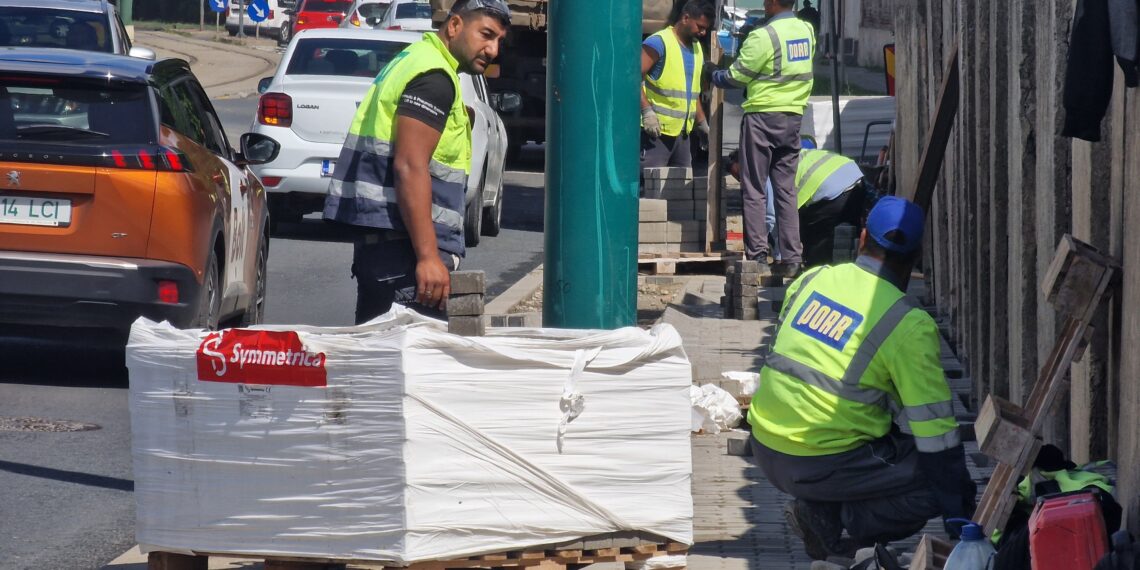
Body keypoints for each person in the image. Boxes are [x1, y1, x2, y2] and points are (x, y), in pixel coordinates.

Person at [746, 196, 976, 560]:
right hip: (820, 461)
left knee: (889, 443)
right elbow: (936, 434)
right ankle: (831, 518)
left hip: (764, 445)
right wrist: (957, 512)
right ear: (916, 256)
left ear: (863, 237)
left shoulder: (812, 280)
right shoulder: (908, 323)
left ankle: (823, 506)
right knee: (936, 481)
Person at [323, 0, 510, 324]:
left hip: (388, 249)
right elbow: (410, 165)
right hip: (405, 256)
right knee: (408, 354)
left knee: (380, 350)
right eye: (486, 34)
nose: (493, 49)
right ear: (455, 26)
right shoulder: (434, 77)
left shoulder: (416, 59)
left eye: (498, 40)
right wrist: (427, 256)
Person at [711, 0, 815, 278]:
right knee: (786, 190)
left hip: (762, 117)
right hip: (793, 117)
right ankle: (791, 258)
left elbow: (736, 77)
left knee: (754, 187)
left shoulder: (763, 36)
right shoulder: (806, 31)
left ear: (771, 2)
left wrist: (713, 73)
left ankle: (757, 255)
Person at [728, 146, 872, 267]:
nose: (743, 182)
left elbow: (775, 218)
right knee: (854, 237)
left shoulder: (765, 171)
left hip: (831, 191)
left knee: (812, 238)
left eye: (741, 175)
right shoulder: (784, 156)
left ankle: (815, 273)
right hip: (855, 180)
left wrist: (780, 257)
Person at [640, 0, 714, 168]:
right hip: (656, 134)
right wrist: (647, 112)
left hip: (682, 135)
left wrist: (701, 123)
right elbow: (632, 79)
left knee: (682, 184)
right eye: (700, 26)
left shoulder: (697, 48)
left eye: (705, 28)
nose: (703, 32)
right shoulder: (659, 43)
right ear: (685, 18)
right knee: (653, 183)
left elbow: (691, 93)